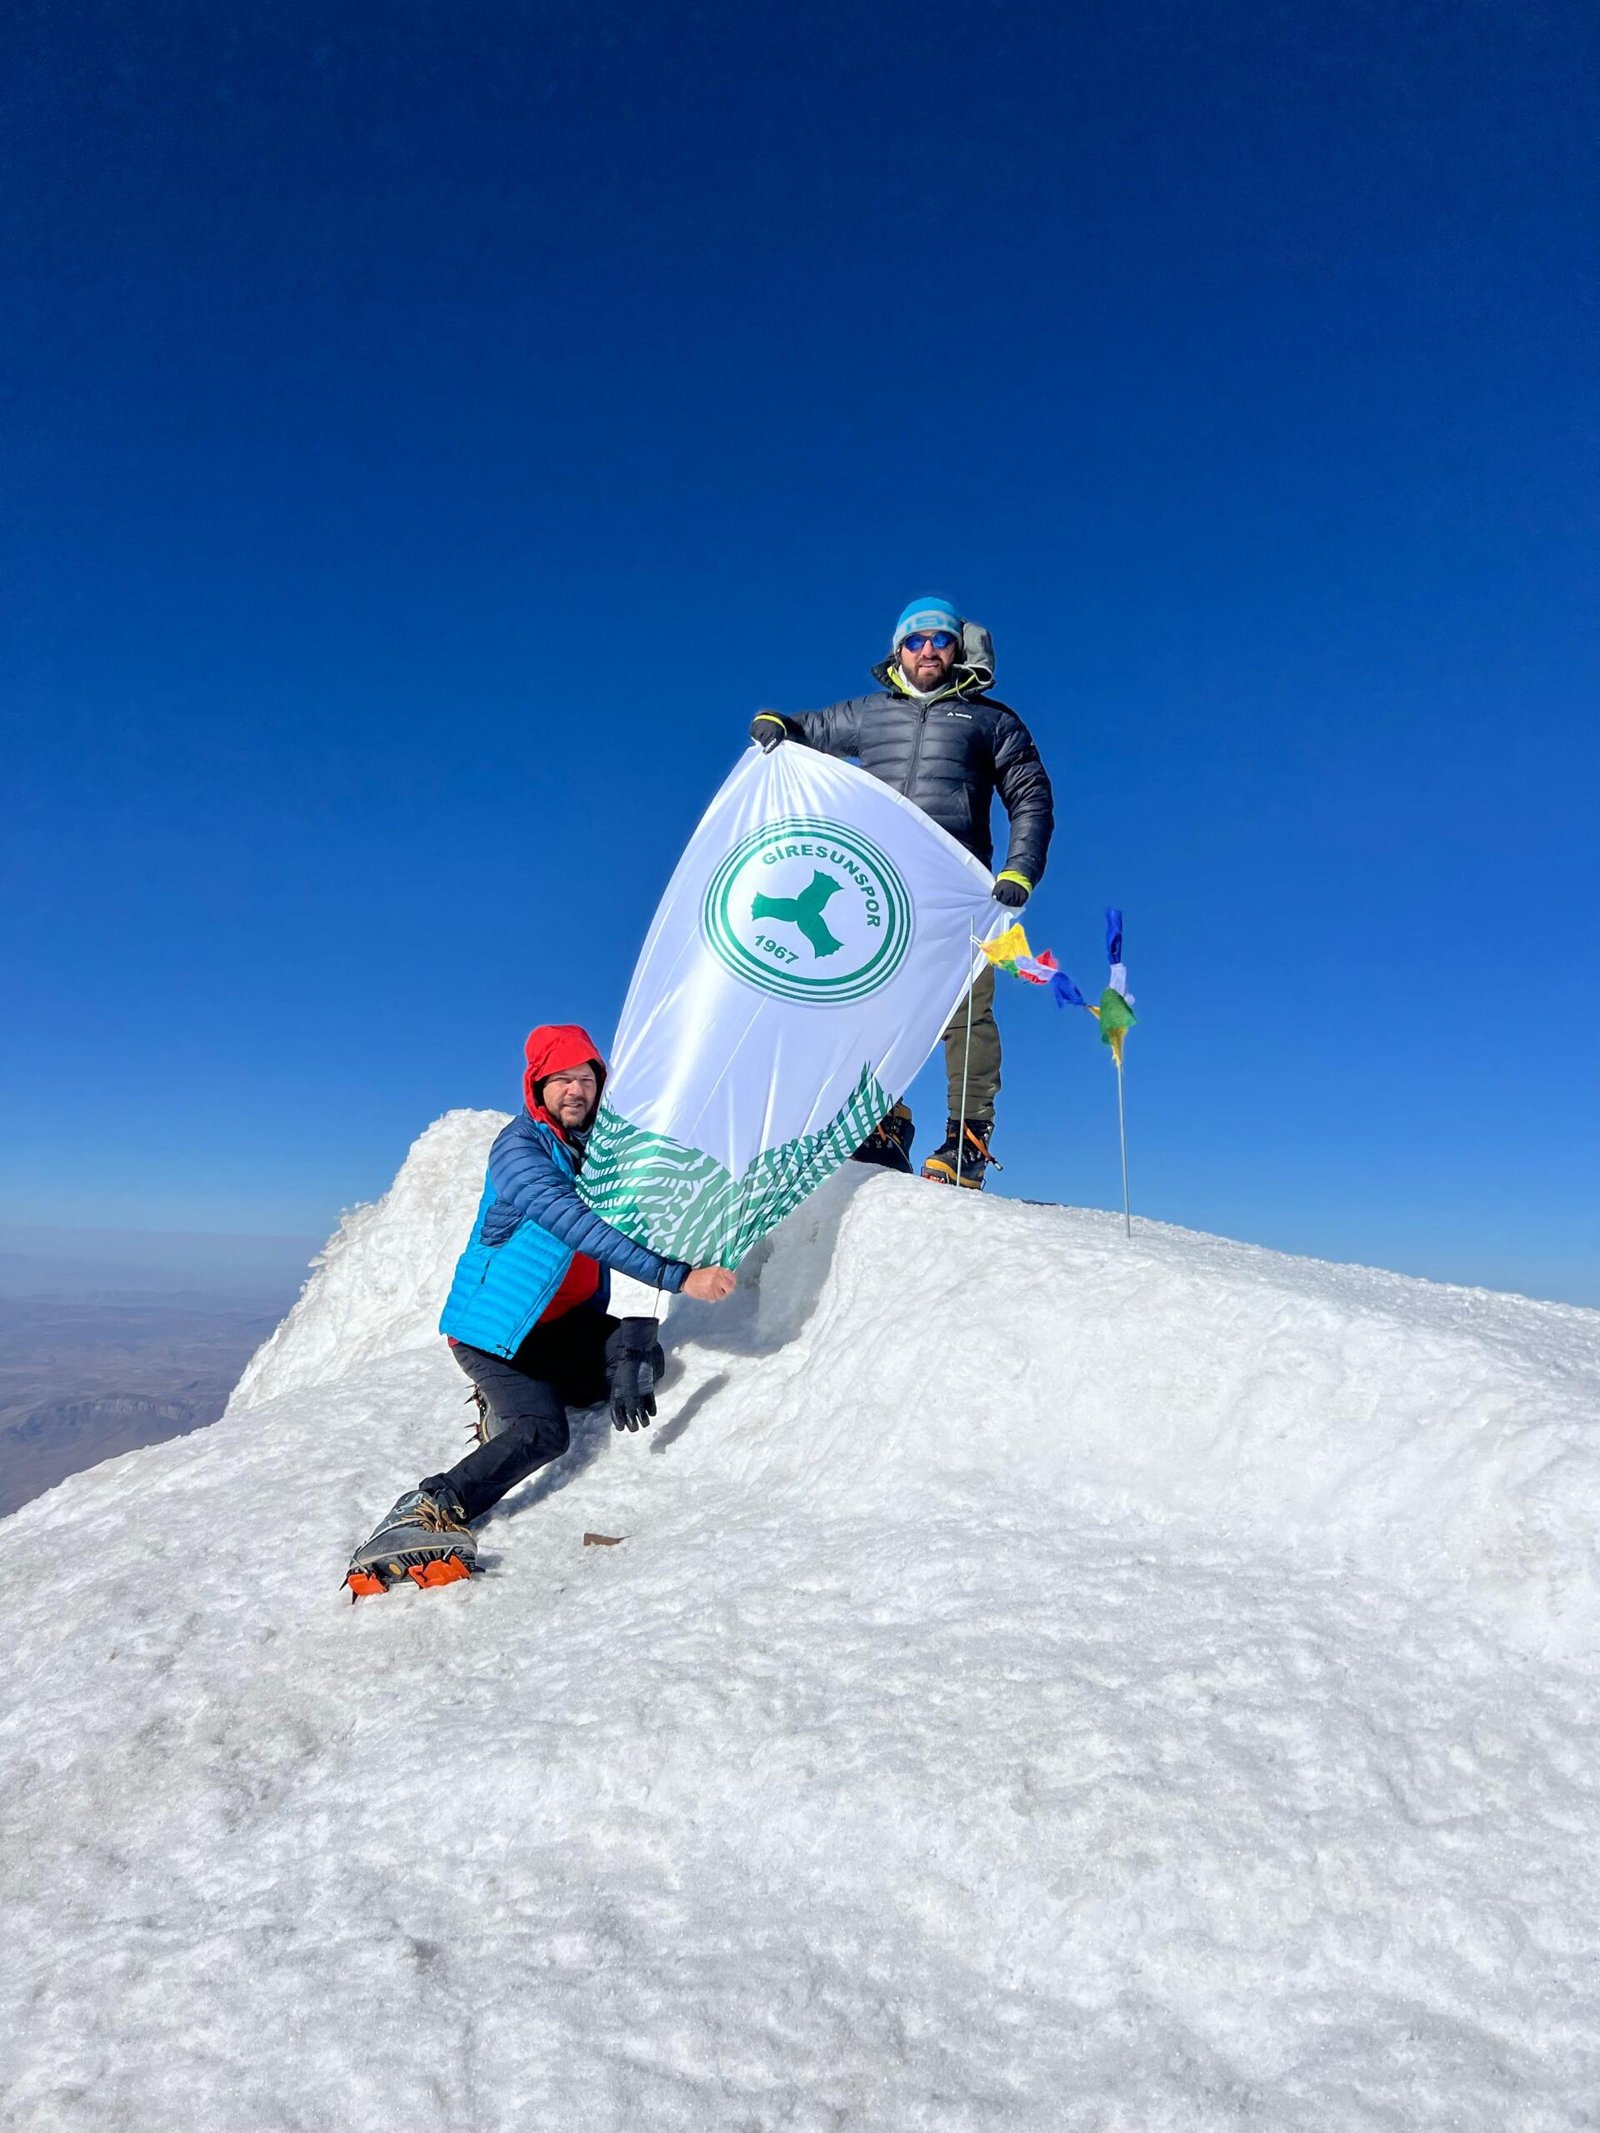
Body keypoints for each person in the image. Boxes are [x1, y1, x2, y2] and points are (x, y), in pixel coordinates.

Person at [345, 1024, 736, 1594]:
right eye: (562, 1079)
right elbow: (577, 1223)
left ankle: (534, 1397)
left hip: (564, 1328)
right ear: (537, 1086)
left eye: (587, 1079)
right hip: (496, 1336)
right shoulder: (519, 1150)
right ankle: (431, 1505)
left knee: (642, 1357)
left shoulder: (598, 1151)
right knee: (544, 1431)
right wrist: (679, 1278)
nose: (576, 1090)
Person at [750, 596, 1054, 1189]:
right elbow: (810, 730)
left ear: (959, 647)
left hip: (959, 891)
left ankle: (967, 1139)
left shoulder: (993, 721)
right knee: (866, 1002)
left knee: (966, 1013)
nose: (927, 650)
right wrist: (779, 725)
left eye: (940, 639)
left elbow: (1031, 798)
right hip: (880, 889)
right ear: (898, 651)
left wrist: (1020, 869)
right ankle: (883, 1121)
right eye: (915, 640)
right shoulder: (869, 713)